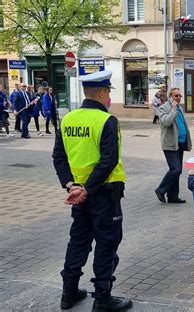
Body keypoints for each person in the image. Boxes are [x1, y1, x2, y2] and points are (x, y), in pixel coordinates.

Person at [52, 70, 132, 311]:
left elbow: (59, 157)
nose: (109, 97)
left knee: (78, 241)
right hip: (104, 195)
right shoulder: (107, 121)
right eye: (108, 92)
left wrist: (71, 185)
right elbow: (108, 161)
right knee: (107, 244)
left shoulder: (68, 119)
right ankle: (103, 298)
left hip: (78, 195)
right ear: (101, 92)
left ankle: (68, 293)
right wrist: (87, 189)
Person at [155, 87, 192, 204]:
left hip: (180, 143)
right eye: (176, 96)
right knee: (175, 169)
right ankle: (160, 190)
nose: (179, 98)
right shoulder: (164, 107)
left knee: (178, 170)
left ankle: (173, 196)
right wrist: (174, 110)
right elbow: (166, 122)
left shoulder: (179, 108)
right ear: (170, 96)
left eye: (180, 95)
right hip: (170, 143)